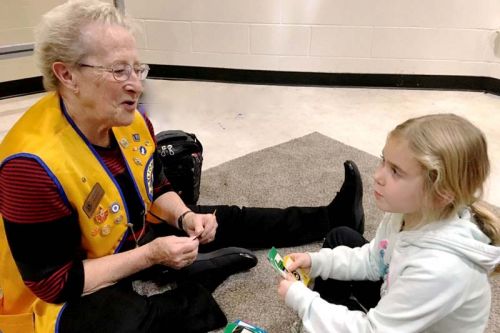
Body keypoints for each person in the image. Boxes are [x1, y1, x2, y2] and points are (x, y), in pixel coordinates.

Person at [0, 1, 365, 333]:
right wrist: (151, 255)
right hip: (58, 289)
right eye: (118, 71)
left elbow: (154, 188)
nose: (136, 85)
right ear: (66, 75)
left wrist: (186, 218)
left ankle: (331, 218)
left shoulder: (130, 121)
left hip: (122, 236)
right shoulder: (30, 166)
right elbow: (54, 282)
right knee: (128, 321)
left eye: (137, 68)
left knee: (222, 218)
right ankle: (195, 282)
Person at [277, 113, 500, 333]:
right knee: (341, 237)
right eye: (383, 160)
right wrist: (315, 262)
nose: (378, 176)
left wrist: (304, 302)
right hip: (400, 295)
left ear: (441, 193)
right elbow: (374, 260)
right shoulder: (407, 213)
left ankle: (321, 317)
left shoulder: (440, 269)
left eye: (395, 171)